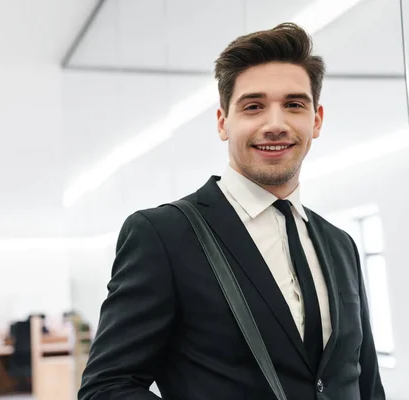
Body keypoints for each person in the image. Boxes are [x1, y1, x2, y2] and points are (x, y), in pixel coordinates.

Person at [77, 22, 385, 400]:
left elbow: (365, 380)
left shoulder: (341, 244)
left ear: (316, 120)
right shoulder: (163, 235)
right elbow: (107, 387)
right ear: (224, 123)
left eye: (293, 105)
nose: (275, 124)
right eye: (253, 107)